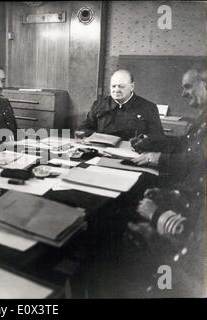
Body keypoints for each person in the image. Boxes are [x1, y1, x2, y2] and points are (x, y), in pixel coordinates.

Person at [126, 66, 206, 297]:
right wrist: (152, 143)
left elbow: (196, 162)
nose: (182, 94)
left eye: (188, 87)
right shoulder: (203, 118)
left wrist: (158, 215)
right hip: (189, 200)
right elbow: (184, 145)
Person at [78, 69, 164, 140]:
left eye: (121, 86)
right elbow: (83, 128)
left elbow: (158, 137)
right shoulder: (99, 104)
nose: (116, 90)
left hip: (132, 154)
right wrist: (98, 137)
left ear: (132, 87)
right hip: (101, 151)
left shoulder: (149, 108)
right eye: (113, 86)